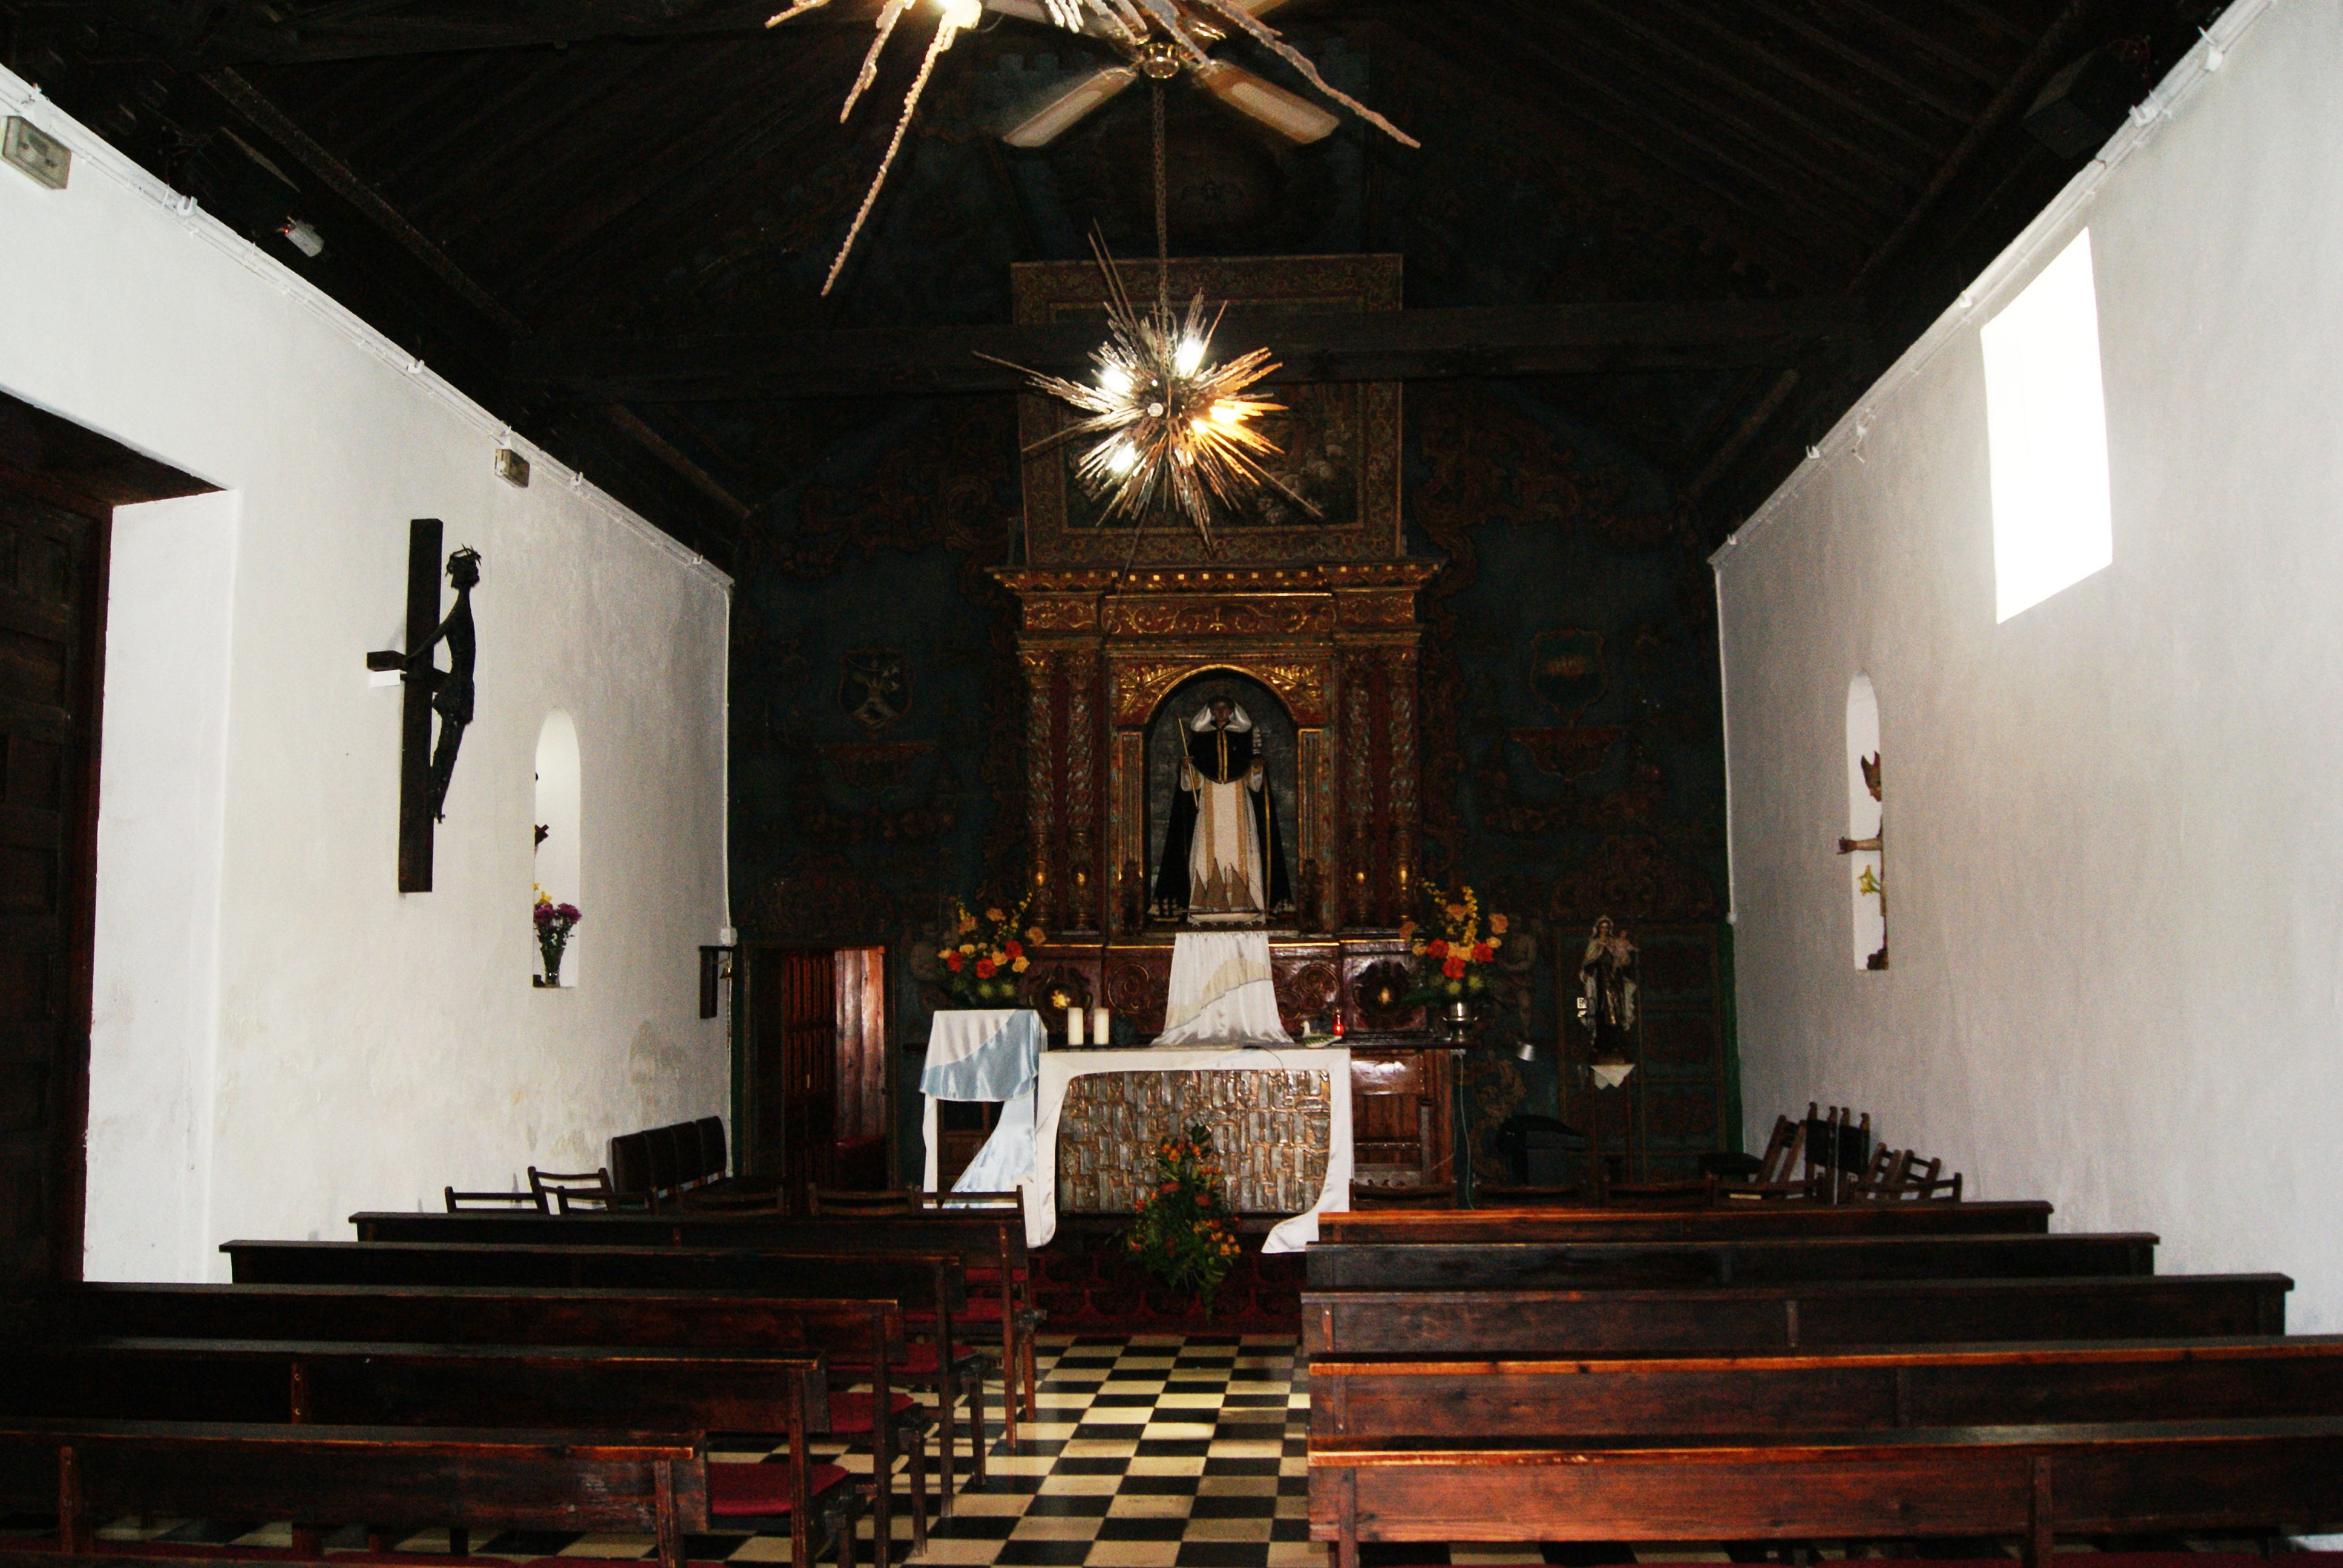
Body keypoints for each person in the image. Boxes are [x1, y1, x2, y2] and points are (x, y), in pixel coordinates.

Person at [1151, 696, 1292, 924]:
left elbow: (1254, 783)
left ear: (1232, 712)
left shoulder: (1243, 739)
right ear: (1210, 712)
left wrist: (1256, 769)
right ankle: (1205, 906)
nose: (1221, 713)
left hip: (1238, 801)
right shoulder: (1202, 740)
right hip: (1210, 801)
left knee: (1241, 849)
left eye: (1225, 709)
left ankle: (1245, 906)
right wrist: (1188, 769)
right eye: (1216, 709)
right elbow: (1192, 785)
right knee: (1209, 849)